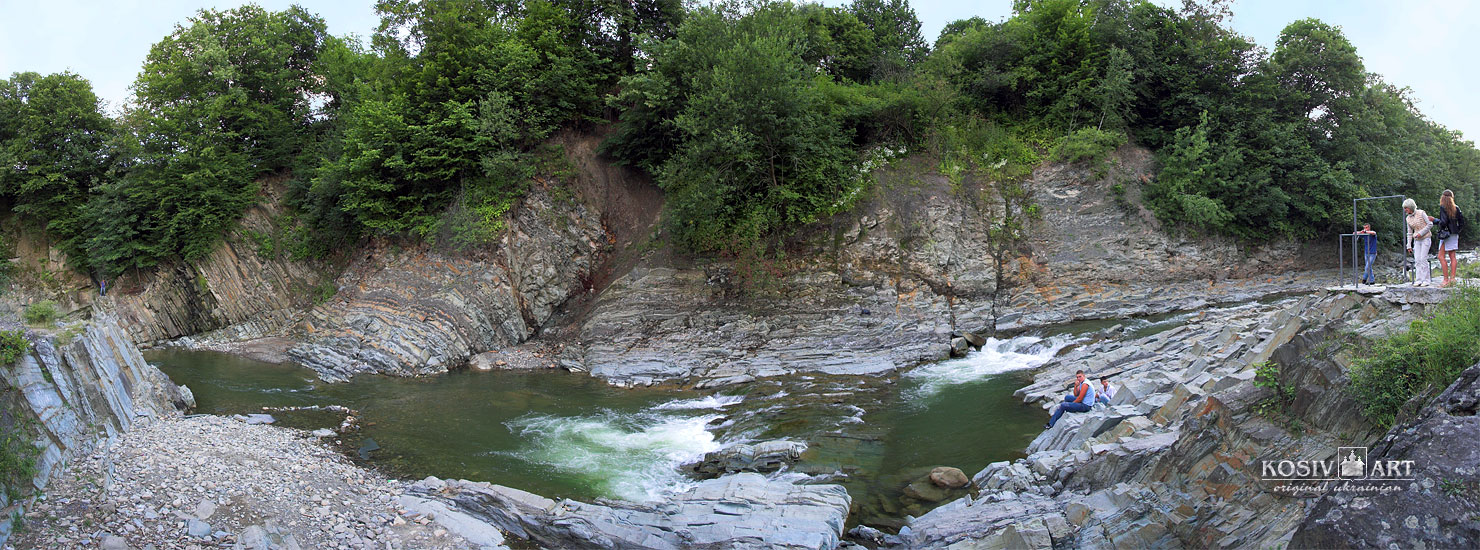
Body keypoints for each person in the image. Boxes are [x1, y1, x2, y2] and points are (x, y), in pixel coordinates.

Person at [1436, 190, 1464, 287]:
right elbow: (1462, 222)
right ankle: (1452, 279)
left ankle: (1445, 280)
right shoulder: (1456, 208)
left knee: (1441, 256)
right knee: (1452, 256)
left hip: (1446, 234)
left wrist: (1437, 222)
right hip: (1454, 234)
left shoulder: (1443, 208)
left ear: (1443, 197)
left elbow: (1443, 222)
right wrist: (1456, 230)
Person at [1405, 198, 1434, 286]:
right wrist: (1408, 245)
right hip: (1417, 240)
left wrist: (1421, 233)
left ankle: (1426, 280)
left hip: (1426, 238)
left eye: (1406, 208)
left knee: (1423, 259)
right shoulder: (1408, 218)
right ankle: (1419, 279)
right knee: (1417, 259)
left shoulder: (1421, 213)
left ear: (1410, 207)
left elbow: (1430, 224)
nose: (1405, 210)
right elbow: (1409, 232)